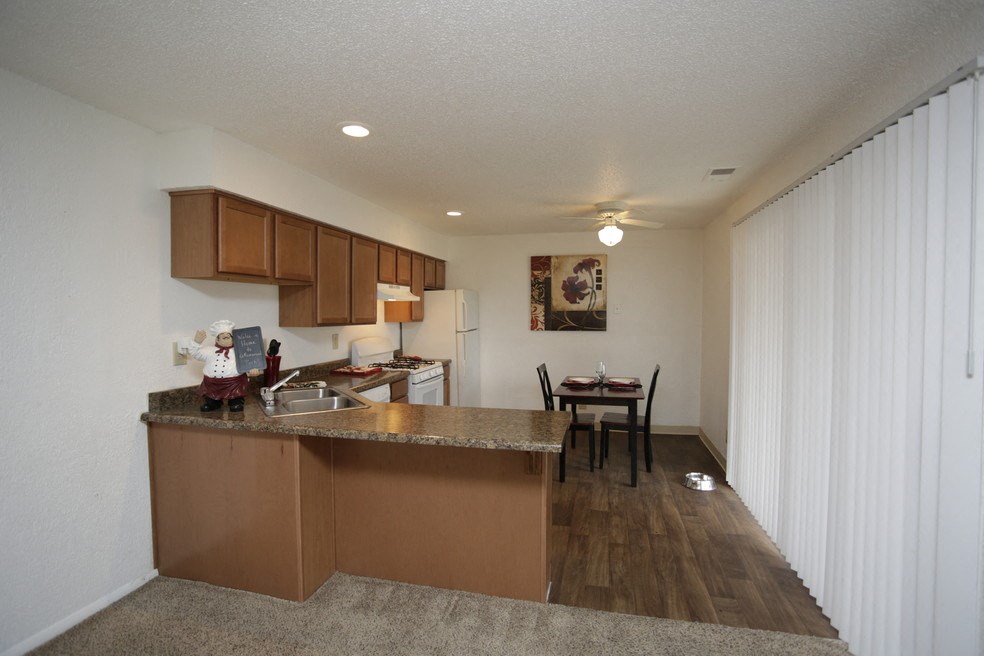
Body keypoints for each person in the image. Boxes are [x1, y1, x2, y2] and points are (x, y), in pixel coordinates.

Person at [188, 320, 261, 412]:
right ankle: (213, 403)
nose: (227, 339)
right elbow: (196, 354)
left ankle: (236, 402)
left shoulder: (239, 351)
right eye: (224, 337)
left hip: (234, 383)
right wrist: (196, 342)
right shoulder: (209, 351)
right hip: (212, 384)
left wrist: (253, 370)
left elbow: (248, 361)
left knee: (236, 397)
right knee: (211, 397)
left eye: (229, 337)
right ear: (217, 339)